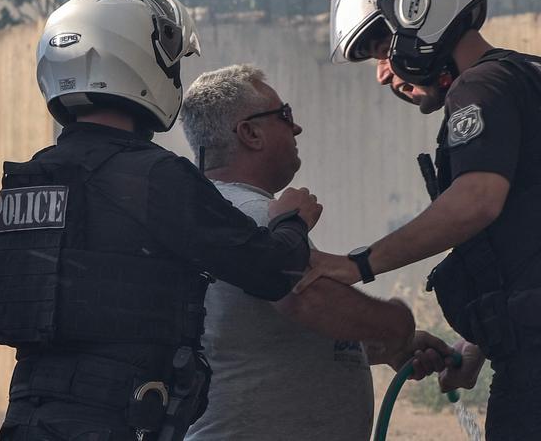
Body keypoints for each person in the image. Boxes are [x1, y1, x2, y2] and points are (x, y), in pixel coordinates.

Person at [0, 0, 325, 441]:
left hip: (25, 418)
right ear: (140, 61)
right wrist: (291, 221)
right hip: (116, 421)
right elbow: (270, 270)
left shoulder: (30, 178)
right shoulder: (153, 176)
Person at [298, 0, 541, 439]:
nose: (383, 74)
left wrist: (358, 263)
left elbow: (477, 201)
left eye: (381, 47)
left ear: (418, 10)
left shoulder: (480, 87)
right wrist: (475, 347)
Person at [179, 64, 452, 441]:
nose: (296, 128)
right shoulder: (258, 218)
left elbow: (262, 338)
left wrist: (375, 347)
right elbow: (307, 302)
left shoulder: (211, 213)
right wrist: (398, 327)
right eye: (284, 116)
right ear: (250, 133)